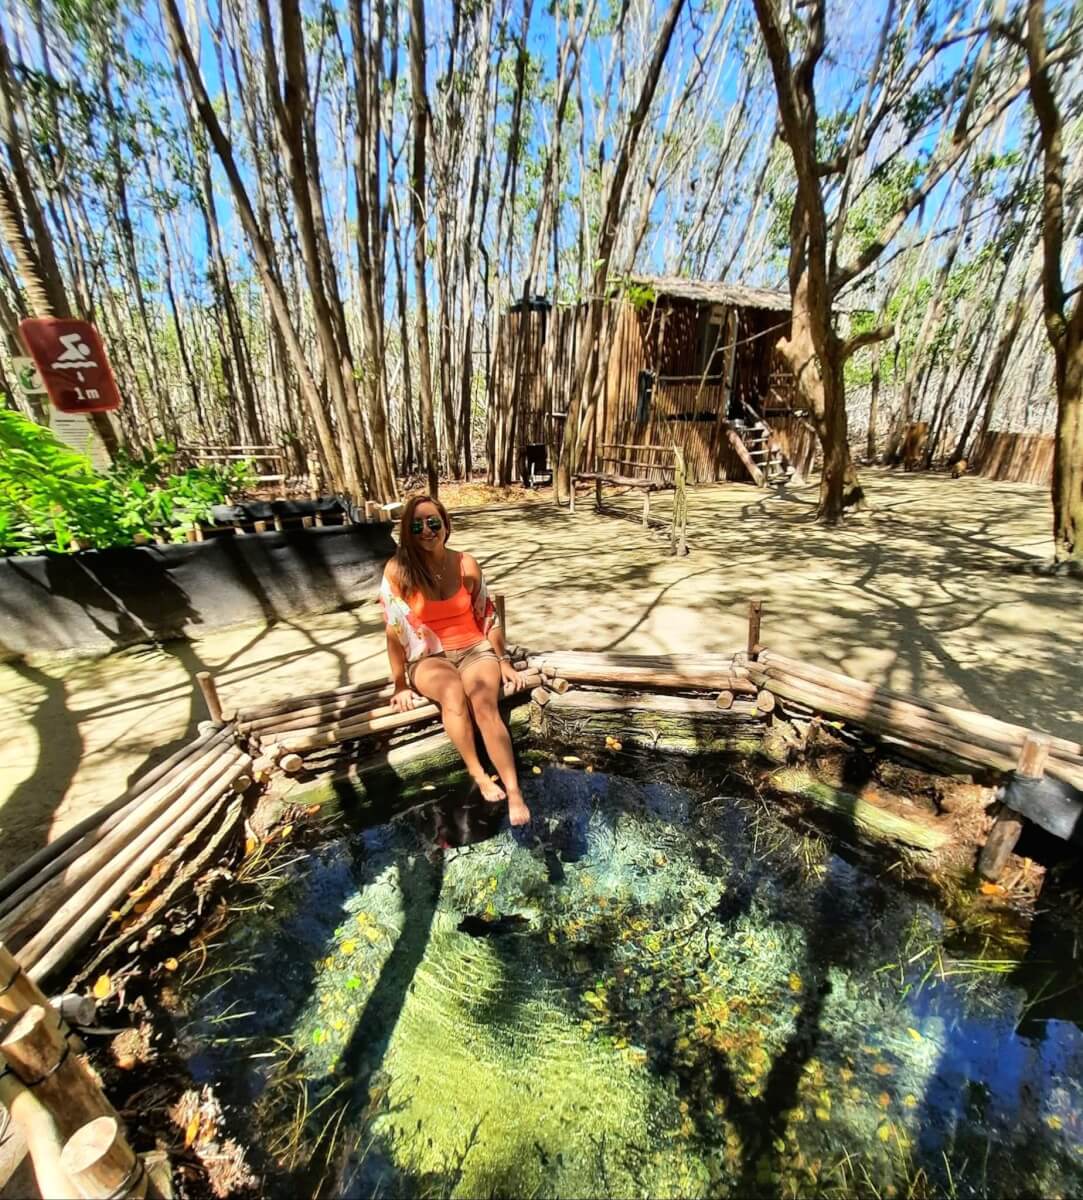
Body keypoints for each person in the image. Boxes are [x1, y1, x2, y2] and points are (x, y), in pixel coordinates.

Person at [379, 494, 531, 827]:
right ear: (407, 531)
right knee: (451, 692)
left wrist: (503, 660)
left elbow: (487, 615)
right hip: (429, 657)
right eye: (416, 525)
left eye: (433, 522)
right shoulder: (397, 571)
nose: (426, 530)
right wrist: (400, 683)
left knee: (484, 703)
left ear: (446, 526)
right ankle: (478, 774)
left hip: (474, 649)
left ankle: (514, 790)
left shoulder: (467, 564)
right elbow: (393, 631)